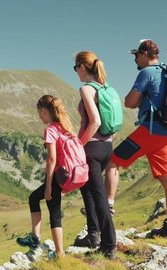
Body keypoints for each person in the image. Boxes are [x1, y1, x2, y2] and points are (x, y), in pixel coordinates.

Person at [106, 39, 167, 238]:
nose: (135, 59)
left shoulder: (146, 73)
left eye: (136, 55)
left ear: (145, 54)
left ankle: (108, 205)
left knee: (113, 162)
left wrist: (137, 100)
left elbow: (129, 102)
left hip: (149, 131)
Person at [16, 95, 75, 258]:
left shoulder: (51, 130)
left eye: (39, 113)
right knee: (34, 198)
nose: (39, 116)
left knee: (54, 213)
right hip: (66, 174)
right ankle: (35, 238)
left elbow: (51, 159)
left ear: (44, 111)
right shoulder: (66, 127)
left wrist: (49, 186)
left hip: (57, 176)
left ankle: (59, 253)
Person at [71, 51, 117, 258]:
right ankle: (94, 235)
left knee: (99, 198)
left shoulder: (87, 89)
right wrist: (106, 142)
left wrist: (79, 146)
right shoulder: (106, 88)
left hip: (91, 148)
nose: (76, 73)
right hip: (106, 146)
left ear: (82, 67)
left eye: (75, 68)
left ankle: (109, 246)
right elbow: (112, 124)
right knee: (87, 191)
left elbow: (96, 121)